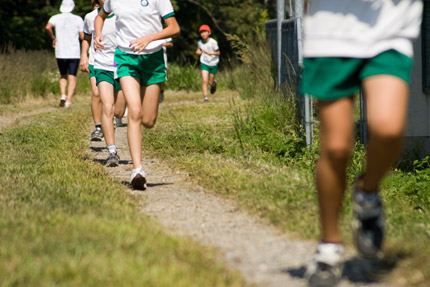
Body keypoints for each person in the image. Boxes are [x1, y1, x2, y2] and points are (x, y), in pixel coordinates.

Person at [300, 1, 423, 286]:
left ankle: (367, 195)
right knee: (336, 147)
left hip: (389, 28)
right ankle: (328, 248)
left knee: (389, 129)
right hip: (330, 31)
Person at [94, 0, 180, 189]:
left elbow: (174, 28)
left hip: (153, 60)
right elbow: (100, 16)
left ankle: (138, 164)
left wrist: (149, 38)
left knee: (148, 120)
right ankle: (137, 170)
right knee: (134, 110)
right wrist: (98, 34)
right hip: (125, 58)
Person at [92, 0, 126, 167]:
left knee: (118, 112)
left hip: (121, 65)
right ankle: (112, 151)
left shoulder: (123, 11)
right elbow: (87, 37)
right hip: (102, 64)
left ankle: (111, 121)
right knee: (107, 106)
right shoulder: (94, 16)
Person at [45, 0, 84, 108]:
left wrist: (53, 38)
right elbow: (82, 36)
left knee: (63, 75)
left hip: (60, 51)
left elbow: (48, 27)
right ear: (73, 7)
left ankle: (63, 95)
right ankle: (69, 101)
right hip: (74, 52)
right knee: (72, 76)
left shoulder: (55, 17)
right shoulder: (78, 19)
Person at [80, 0, 103, 141]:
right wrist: (84, 55)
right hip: (96, 60)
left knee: (116, 105)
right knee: (96, 93)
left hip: (116, 61)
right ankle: (98, 127)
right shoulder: (90, 17)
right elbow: (86, 38)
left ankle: (112, 118)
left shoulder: (121, 13)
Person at [196, 24, 220, 102]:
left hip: (213, 63)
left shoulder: (213, 42)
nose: (203, 34)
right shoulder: (199, 42)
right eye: (201, 32)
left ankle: (214, 84)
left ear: (209, 33)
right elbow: (198, 50)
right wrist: (197, 52)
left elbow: (218, 52)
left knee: (210, 82)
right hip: (204, 62)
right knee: (205, 80)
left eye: (205, 32)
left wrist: (210, 54)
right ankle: (205, 97)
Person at [159, 38, 173, 103]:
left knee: (162, 79)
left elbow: (170, 44)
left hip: (162, 60)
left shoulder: (165, 33)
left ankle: (161, 91)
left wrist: (159, 45)